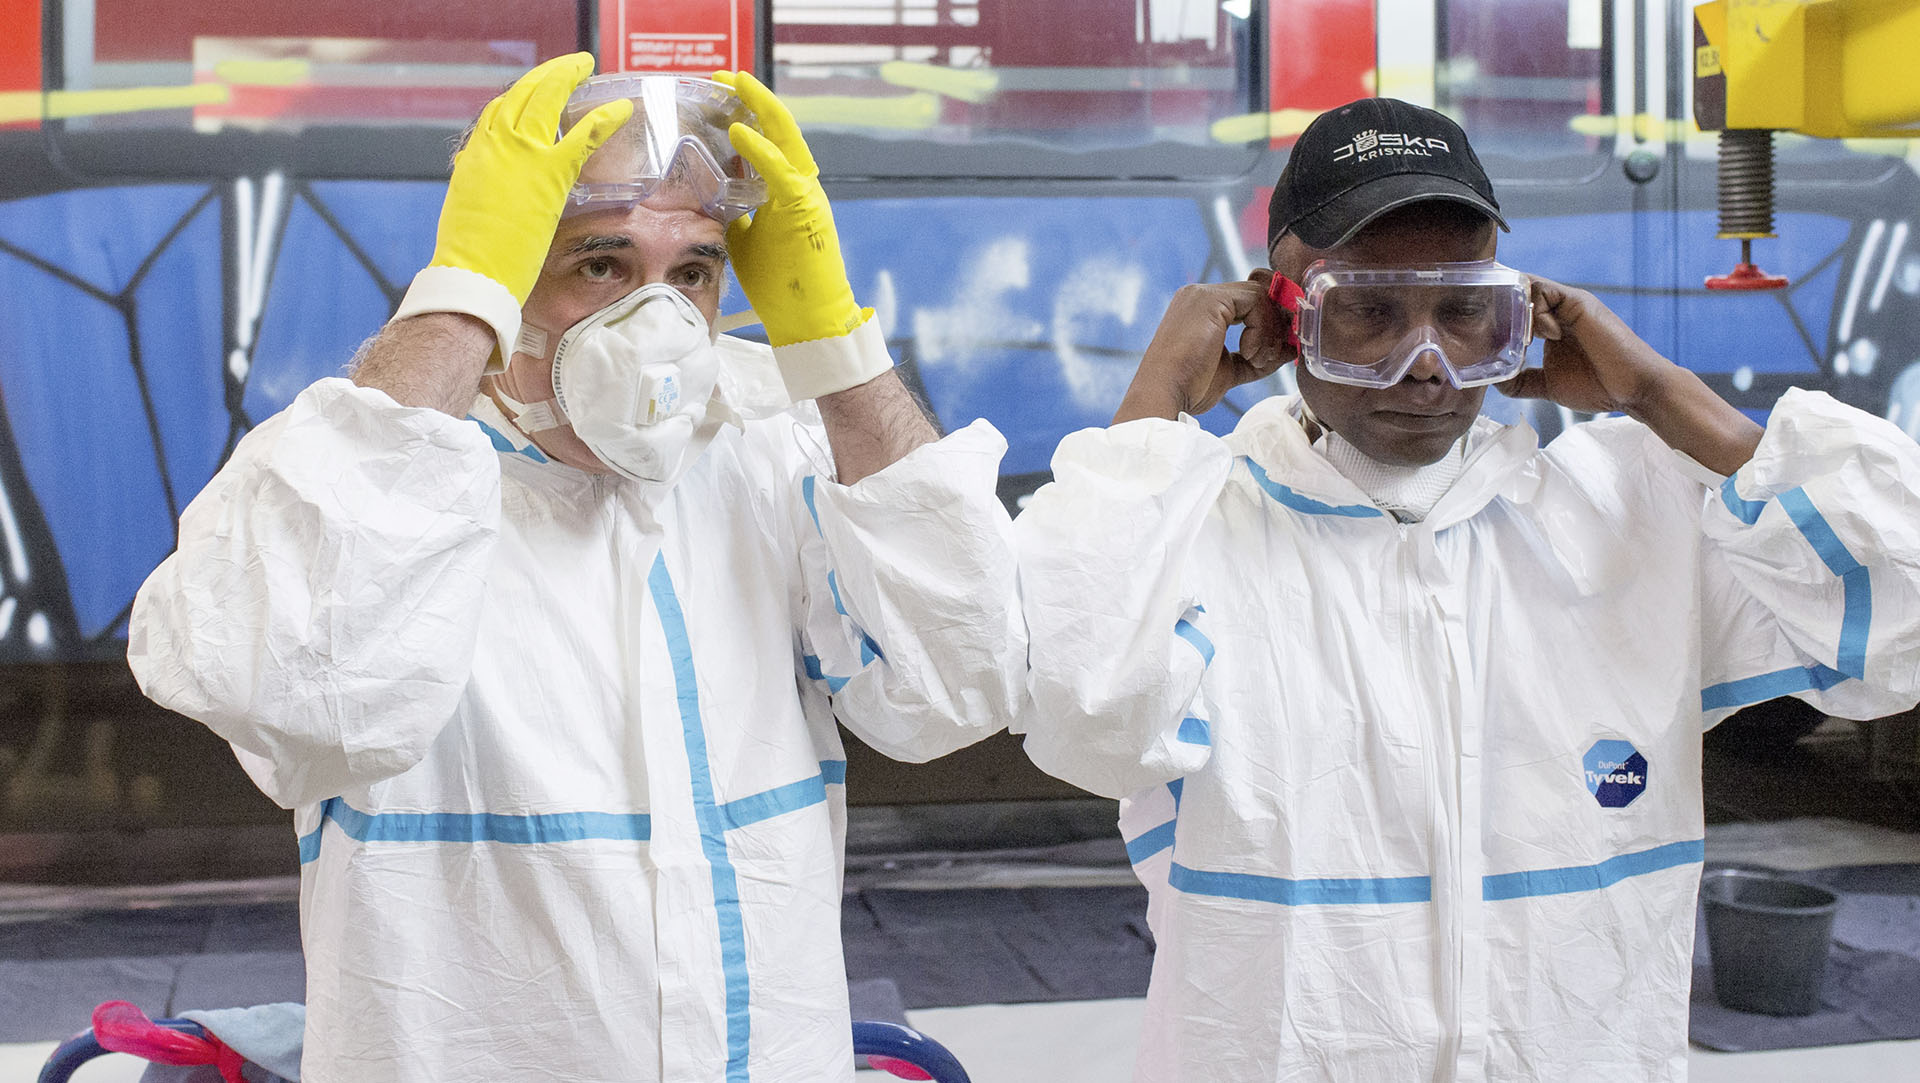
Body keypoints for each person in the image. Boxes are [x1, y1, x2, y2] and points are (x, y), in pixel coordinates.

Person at [128, 55, 1025, 1082]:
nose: (657, 326)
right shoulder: (362, 479)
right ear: (506, 276)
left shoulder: (771, 450)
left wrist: (836, 351)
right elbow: (291, 696)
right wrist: (457, 305)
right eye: (601, 265)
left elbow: (958, 687)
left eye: (691, 272)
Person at [1014, 96, 1920, 1081]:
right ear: (1283, 314)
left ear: (1519, 317)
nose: (1428, 367)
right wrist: (1153, 408)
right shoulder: (1194, 532)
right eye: (1366, 313)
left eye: (1465, 313)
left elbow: (1893, 620)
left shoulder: (1626, 515)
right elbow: (1082, 706)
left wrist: (1659, 396)